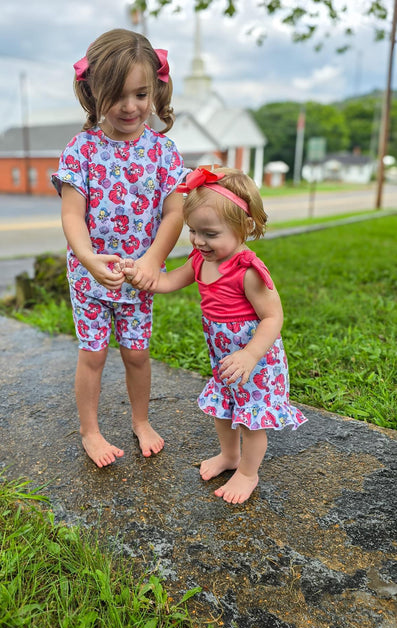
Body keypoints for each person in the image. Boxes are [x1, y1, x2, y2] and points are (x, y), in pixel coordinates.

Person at [121, 166, 307, 503]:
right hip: (223, 357)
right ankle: (229, 456)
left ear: (245, 227)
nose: (198, 241)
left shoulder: (247, 271)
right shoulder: (199, 260)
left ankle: (248, 473)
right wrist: (140, 275)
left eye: (210, 233)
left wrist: (250, 355)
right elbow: (166, 282)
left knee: (252, 419)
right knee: (224, 409)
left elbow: (273, 317)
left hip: (256, 360)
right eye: (193, 231)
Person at [52, 28, 186, 468]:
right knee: (93, 355)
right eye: (117, 95)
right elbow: (73, 214)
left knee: (136, 353)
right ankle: (90, 431)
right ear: (93, 93)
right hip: (91, 277)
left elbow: (174, 213)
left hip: (139, 277)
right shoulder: (82, 149)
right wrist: (88, 258)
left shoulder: (163, 152)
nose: (131, 106)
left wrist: (153, 259)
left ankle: (141, 420)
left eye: (141, 93)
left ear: (156, 90)